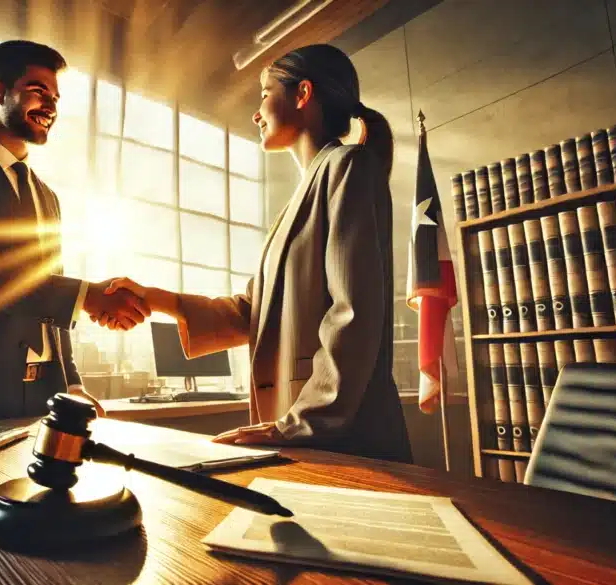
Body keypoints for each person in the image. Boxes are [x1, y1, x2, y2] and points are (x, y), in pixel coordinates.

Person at [102, 44, 412, 463]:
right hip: (304, 427)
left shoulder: (348, 166)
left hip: (342, 434)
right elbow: (254, 310)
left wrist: (298, 423)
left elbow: (351, 314)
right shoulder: (298, 200)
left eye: (265, 92)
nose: (256, 111)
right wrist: (154, 299)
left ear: (303, 94)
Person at [0, 40, 149, 423]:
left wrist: (70, 382)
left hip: (39, 399)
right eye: (38, 92)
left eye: (55, 97)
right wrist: (87, 296)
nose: (51, 106)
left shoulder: (48, 198)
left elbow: (49, 289)